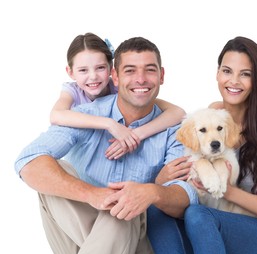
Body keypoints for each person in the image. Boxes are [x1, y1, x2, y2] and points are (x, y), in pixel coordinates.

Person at [14, 36, 197, 254]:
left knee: (125, 207)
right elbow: (28, 161)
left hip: (139, 243)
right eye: (130, 70)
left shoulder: (175, 131)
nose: (140, 79)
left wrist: (150, 191)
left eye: (149, 70)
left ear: (161, 76)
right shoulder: (87, 115)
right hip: (89, 234)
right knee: (53, 169)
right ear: (115, 77)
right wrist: (94, 195)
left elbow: (183, 197)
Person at [148, 36, 257, 254]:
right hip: (216, 225)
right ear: (217, 73)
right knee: (158, 208)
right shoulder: (211, 118)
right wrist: (162, 180)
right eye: (227, 71)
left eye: (245, 74)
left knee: (198, 215)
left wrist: (228, 191)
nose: (234, 81)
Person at [50, 32, 185, 159]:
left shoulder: (121, 87)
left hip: (113, 147)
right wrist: (110, 124)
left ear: (111, 70)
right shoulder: (72, 90)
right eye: (83, 70)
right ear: (71, 72)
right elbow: (56, 115)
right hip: (81, 151)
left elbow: (178, 112)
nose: (93, 77)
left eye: (100, 68)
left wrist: (137, 134)